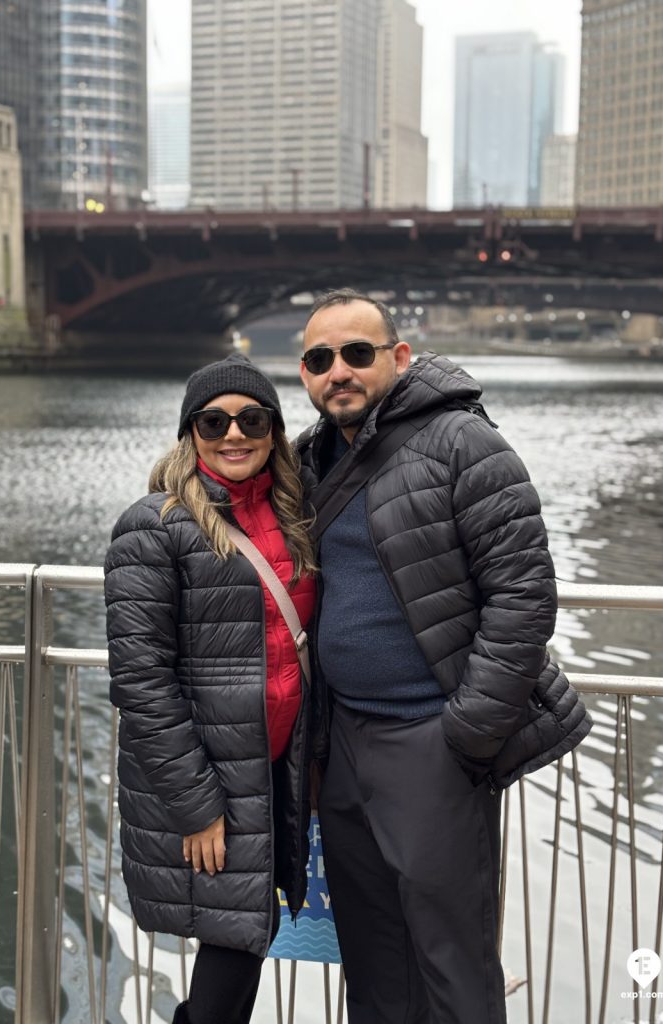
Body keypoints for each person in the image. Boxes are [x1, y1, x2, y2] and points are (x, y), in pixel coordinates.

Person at [296, 289, 591, 1024]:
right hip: (344, 744)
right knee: (370, 955)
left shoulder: (464, 443)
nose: (339, 371)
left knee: (450, 956)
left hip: (431, 738)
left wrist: (468, 732)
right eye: (319, 359)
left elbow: (524, 597)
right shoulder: (309, 458)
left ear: (398, 359)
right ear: (302, 373)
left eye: (357, 353)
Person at [105, 353, 317, 1024]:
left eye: (251, 418)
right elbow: (141, 680)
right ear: (190, 432)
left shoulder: (294, 516)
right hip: (213, 784)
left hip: (276, 772)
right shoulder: (154, 527)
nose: (234, 434)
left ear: (274, 430)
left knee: (246, 938)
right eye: (213, 420)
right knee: (234, 945)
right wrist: (197, 806)